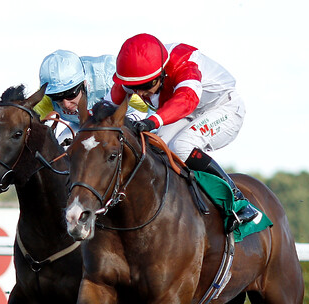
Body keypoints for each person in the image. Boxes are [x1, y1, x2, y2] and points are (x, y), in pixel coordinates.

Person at [109, 33, 257, 231]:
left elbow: (187, 99)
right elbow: (108, 106)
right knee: (155, 145)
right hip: (189, 113)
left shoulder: (184, 63)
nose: (139, 93)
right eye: (132, 87)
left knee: (181, 146)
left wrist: (152, 121)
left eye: (145, 86)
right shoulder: (136, 75)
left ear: (161, 73)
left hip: (223, 108)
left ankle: (239, 201)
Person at [35, 49, 148, 144]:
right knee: (61, 151)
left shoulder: (107, 81)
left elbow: (153, 107)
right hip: (84, 124)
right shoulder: (46, 99)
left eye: (70, 95)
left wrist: (150, 126)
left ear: (84, 83)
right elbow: (25, 121)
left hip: (127, 116)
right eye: (56, 97)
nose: (65, 104)